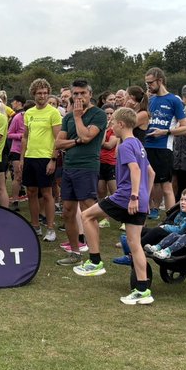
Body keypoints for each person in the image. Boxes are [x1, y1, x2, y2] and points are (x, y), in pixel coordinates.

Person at [75, 107, 154, 305]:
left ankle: (94, 262)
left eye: (112, 124)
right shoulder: (139, 144)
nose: (110, 127)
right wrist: (145, 197)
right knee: (135, 245)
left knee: (86, 216)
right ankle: (143, 290)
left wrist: (134, 196)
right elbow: (150, 173)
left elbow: (135, 170)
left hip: (125, 197)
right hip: (139, 199)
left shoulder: (126, 145)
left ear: (120, 124)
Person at [55, 79, 107, 264]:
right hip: (69, 167)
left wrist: (78, 117)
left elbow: (87, 136)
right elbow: (58, 143)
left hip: (87, 167)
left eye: (82, 93)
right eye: (75, 93)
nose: (78, 97)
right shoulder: (67, 117)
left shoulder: (98, 115)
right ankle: (75, 253)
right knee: (68, 211)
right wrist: (76, 141)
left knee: (88, 211)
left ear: (90, 94)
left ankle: (94, 257)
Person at [143, 67, 186, 215]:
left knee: (166, 187)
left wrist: (166, 132)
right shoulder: (150, 99)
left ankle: (172, 218)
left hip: (163, 148)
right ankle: (145, 214)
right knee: (145, 184)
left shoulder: (174, 100)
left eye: (150, 83)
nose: (148, 86)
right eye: (146, 83)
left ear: (160, 81)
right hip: (146, 146)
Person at [21, 79, 63, 242]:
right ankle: (35, 226)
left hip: (45, 157)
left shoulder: (53, 112)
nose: (43, 96)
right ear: (34, 94)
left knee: (47, 193)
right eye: (39, 93)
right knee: (31, 192)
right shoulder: (29, 113)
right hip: (30, 157)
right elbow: (25, 137)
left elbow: (58, 138)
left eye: (45, 93)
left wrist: (53, 159)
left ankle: (50, 228)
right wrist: (22, 158)